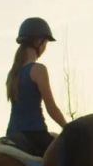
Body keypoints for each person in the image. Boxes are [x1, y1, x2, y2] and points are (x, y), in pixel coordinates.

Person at [4, 17, 68, 156]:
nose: (45, 47)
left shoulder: (12, 74)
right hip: (34, 135)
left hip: (12, 133)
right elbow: (51, 108)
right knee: (70, 156)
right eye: (45, 42)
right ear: (38, 41)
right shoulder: (38, 70)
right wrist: (68, 127)